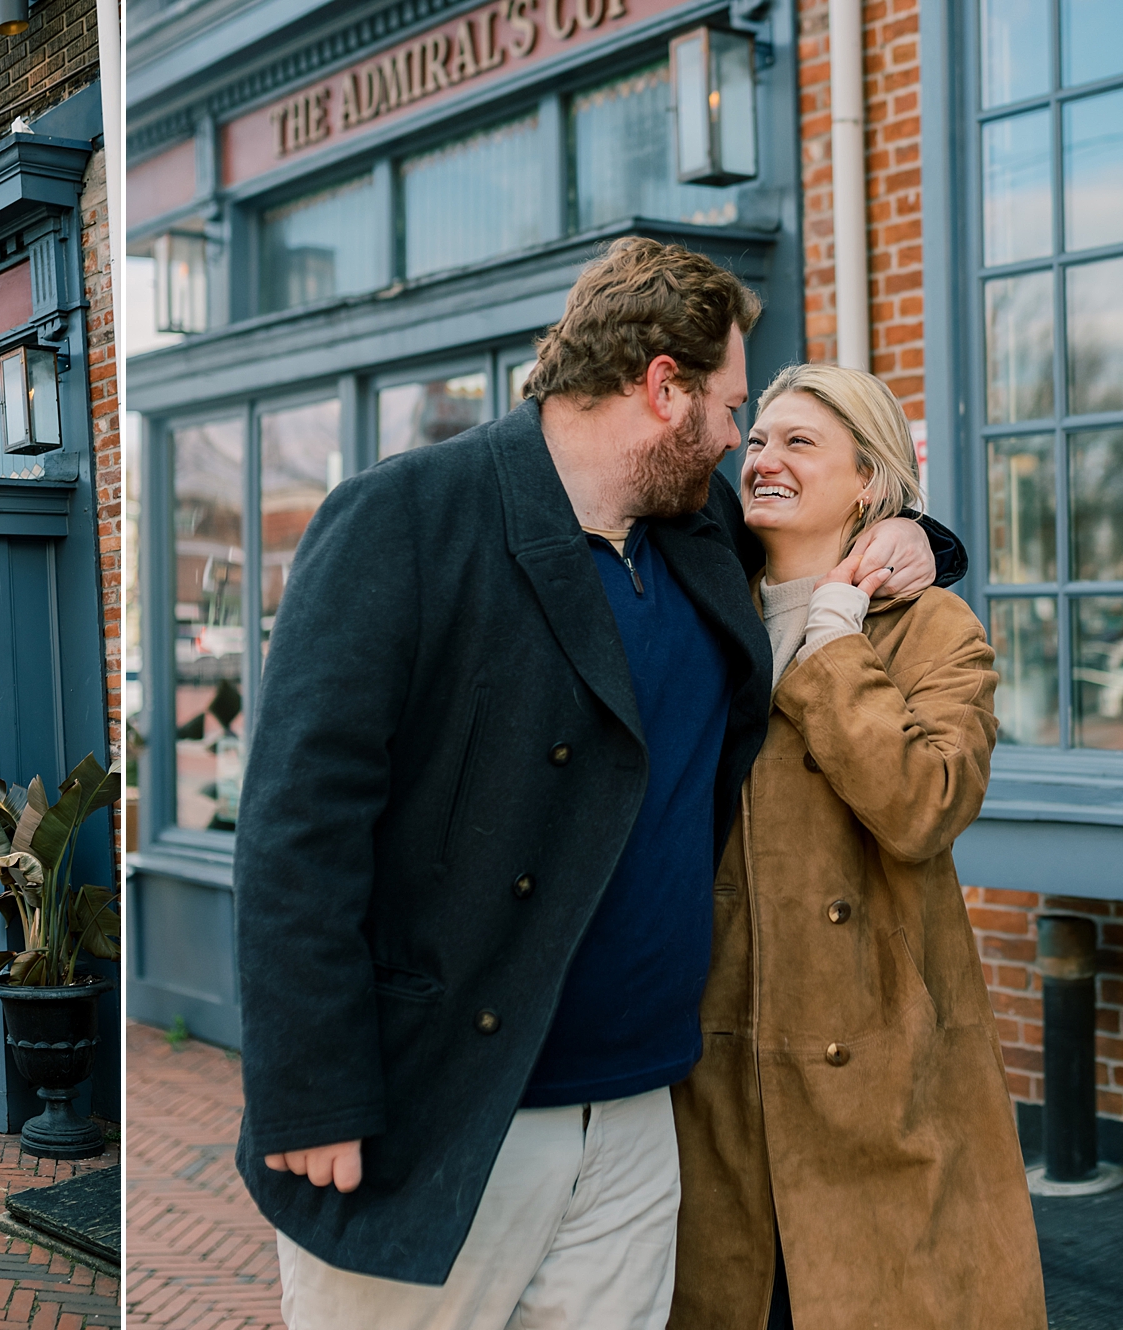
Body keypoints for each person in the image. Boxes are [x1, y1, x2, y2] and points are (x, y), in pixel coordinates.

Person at [231, 236, 967, 1329]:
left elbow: (824, 522)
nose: (734, 440)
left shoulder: (694, 531)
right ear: (660, 388)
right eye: (725, 407)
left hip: (637, 1116)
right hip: (437, 1109)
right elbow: (298, 824)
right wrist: (309, 1090)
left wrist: (917, 536)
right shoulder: (404, 516)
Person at [668, 364, 1044, 1329]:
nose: (763, 457)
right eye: (758, 439)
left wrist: (833, 643)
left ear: (869, 482)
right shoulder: (706, 606)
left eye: (801, 443)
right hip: (715, 1079)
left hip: (883, 1076)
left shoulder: (929, 630)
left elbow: (927, 805)